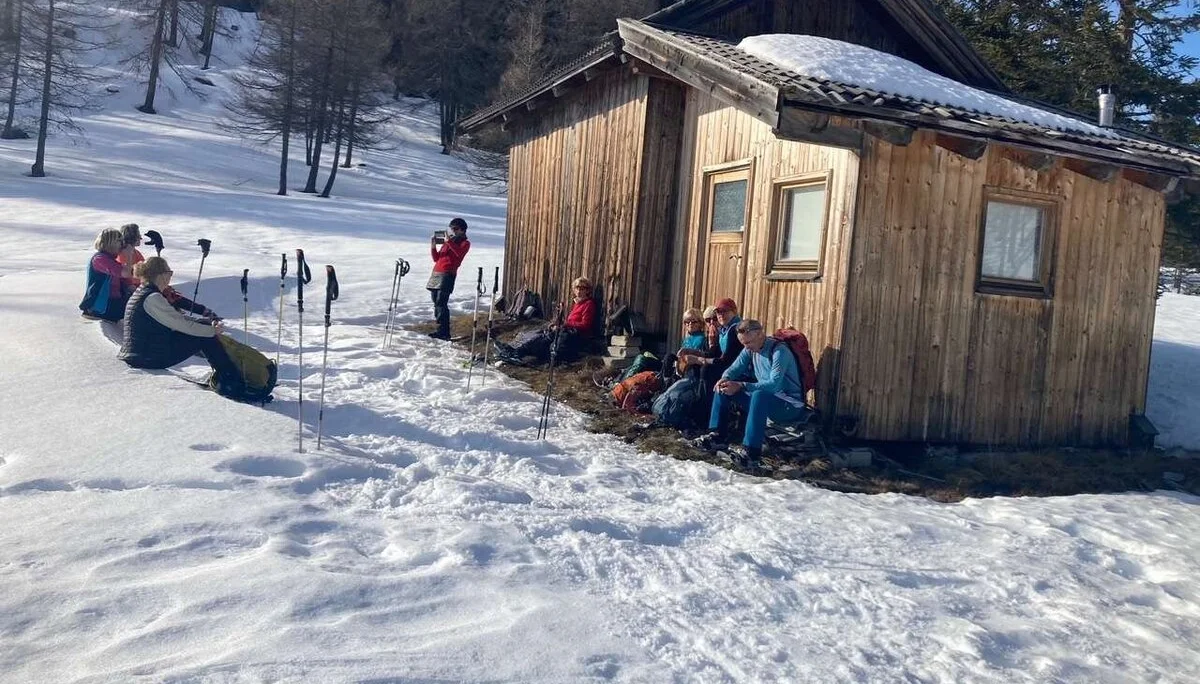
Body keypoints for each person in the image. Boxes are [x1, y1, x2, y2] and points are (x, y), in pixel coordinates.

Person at [118, 257, 244, 397]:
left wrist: (206, 324)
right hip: (147, 357)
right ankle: (231, 381)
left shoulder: (144, 293)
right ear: (160, 275)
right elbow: (181, 324)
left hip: (141, 353)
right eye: (169, 273)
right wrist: (212, 331)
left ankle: (226, 375)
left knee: (203, 329)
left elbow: (174, 318)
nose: (170, 277)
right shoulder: (152, 298)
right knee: (204, 337)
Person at [693, 319, 809, 470]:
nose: (746, 347)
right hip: (765, 401)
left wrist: (741, 385)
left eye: (749, 343)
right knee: (724, 387)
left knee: (759, 394)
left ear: (760, 334)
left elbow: (773, 385)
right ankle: (717, 435)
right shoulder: (750, 348)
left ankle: (751, 452)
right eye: (744, 344)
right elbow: (734, 368)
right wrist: (725, 378)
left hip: (789, 405)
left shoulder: (780, 352)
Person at [116, 223, 221, 320]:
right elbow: (128, 275)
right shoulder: (125, 253)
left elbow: (143, 269)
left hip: (144, 284)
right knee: (168, 295)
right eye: (138, 235)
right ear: (133, 237)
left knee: (170, 294)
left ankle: (201, 312)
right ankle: (196, 314)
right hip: (139, 288)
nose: (140, 237)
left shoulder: (134, 252)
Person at [495, 277, 597, 364]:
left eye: (582, 288)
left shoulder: (588, 304)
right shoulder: (577, 303)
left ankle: (517, 352)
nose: (579, 291)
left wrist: (565, 324)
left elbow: (585, 325)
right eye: (577, 288)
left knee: (546, 338)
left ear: (587, 290)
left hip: (576, 335)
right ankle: (515, 351)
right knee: (542, 335)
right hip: (568, 331)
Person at [426, 217, 471, 340]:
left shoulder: (465, 243)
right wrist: (433, 246)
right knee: (436, 301)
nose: (453, 231)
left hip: (448, 273)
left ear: (462, 230)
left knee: (441, 302)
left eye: (455, 229)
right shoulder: (449, 242)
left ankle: (444, 332)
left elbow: (459, 254)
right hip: (436, 272)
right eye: (451, 229)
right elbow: (437, 258)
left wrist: (448, 242)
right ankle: (439, 328)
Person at [80, 228, 136, 321]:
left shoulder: (110, 259)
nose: (122, 245)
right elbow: (125, 273)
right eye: (119, 241)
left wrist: (130, 286)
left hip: (114, 301)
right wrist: (129, 255)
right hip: (103, 306)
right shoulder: (100, 259)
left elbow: (126, 276)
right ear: (110, 243)